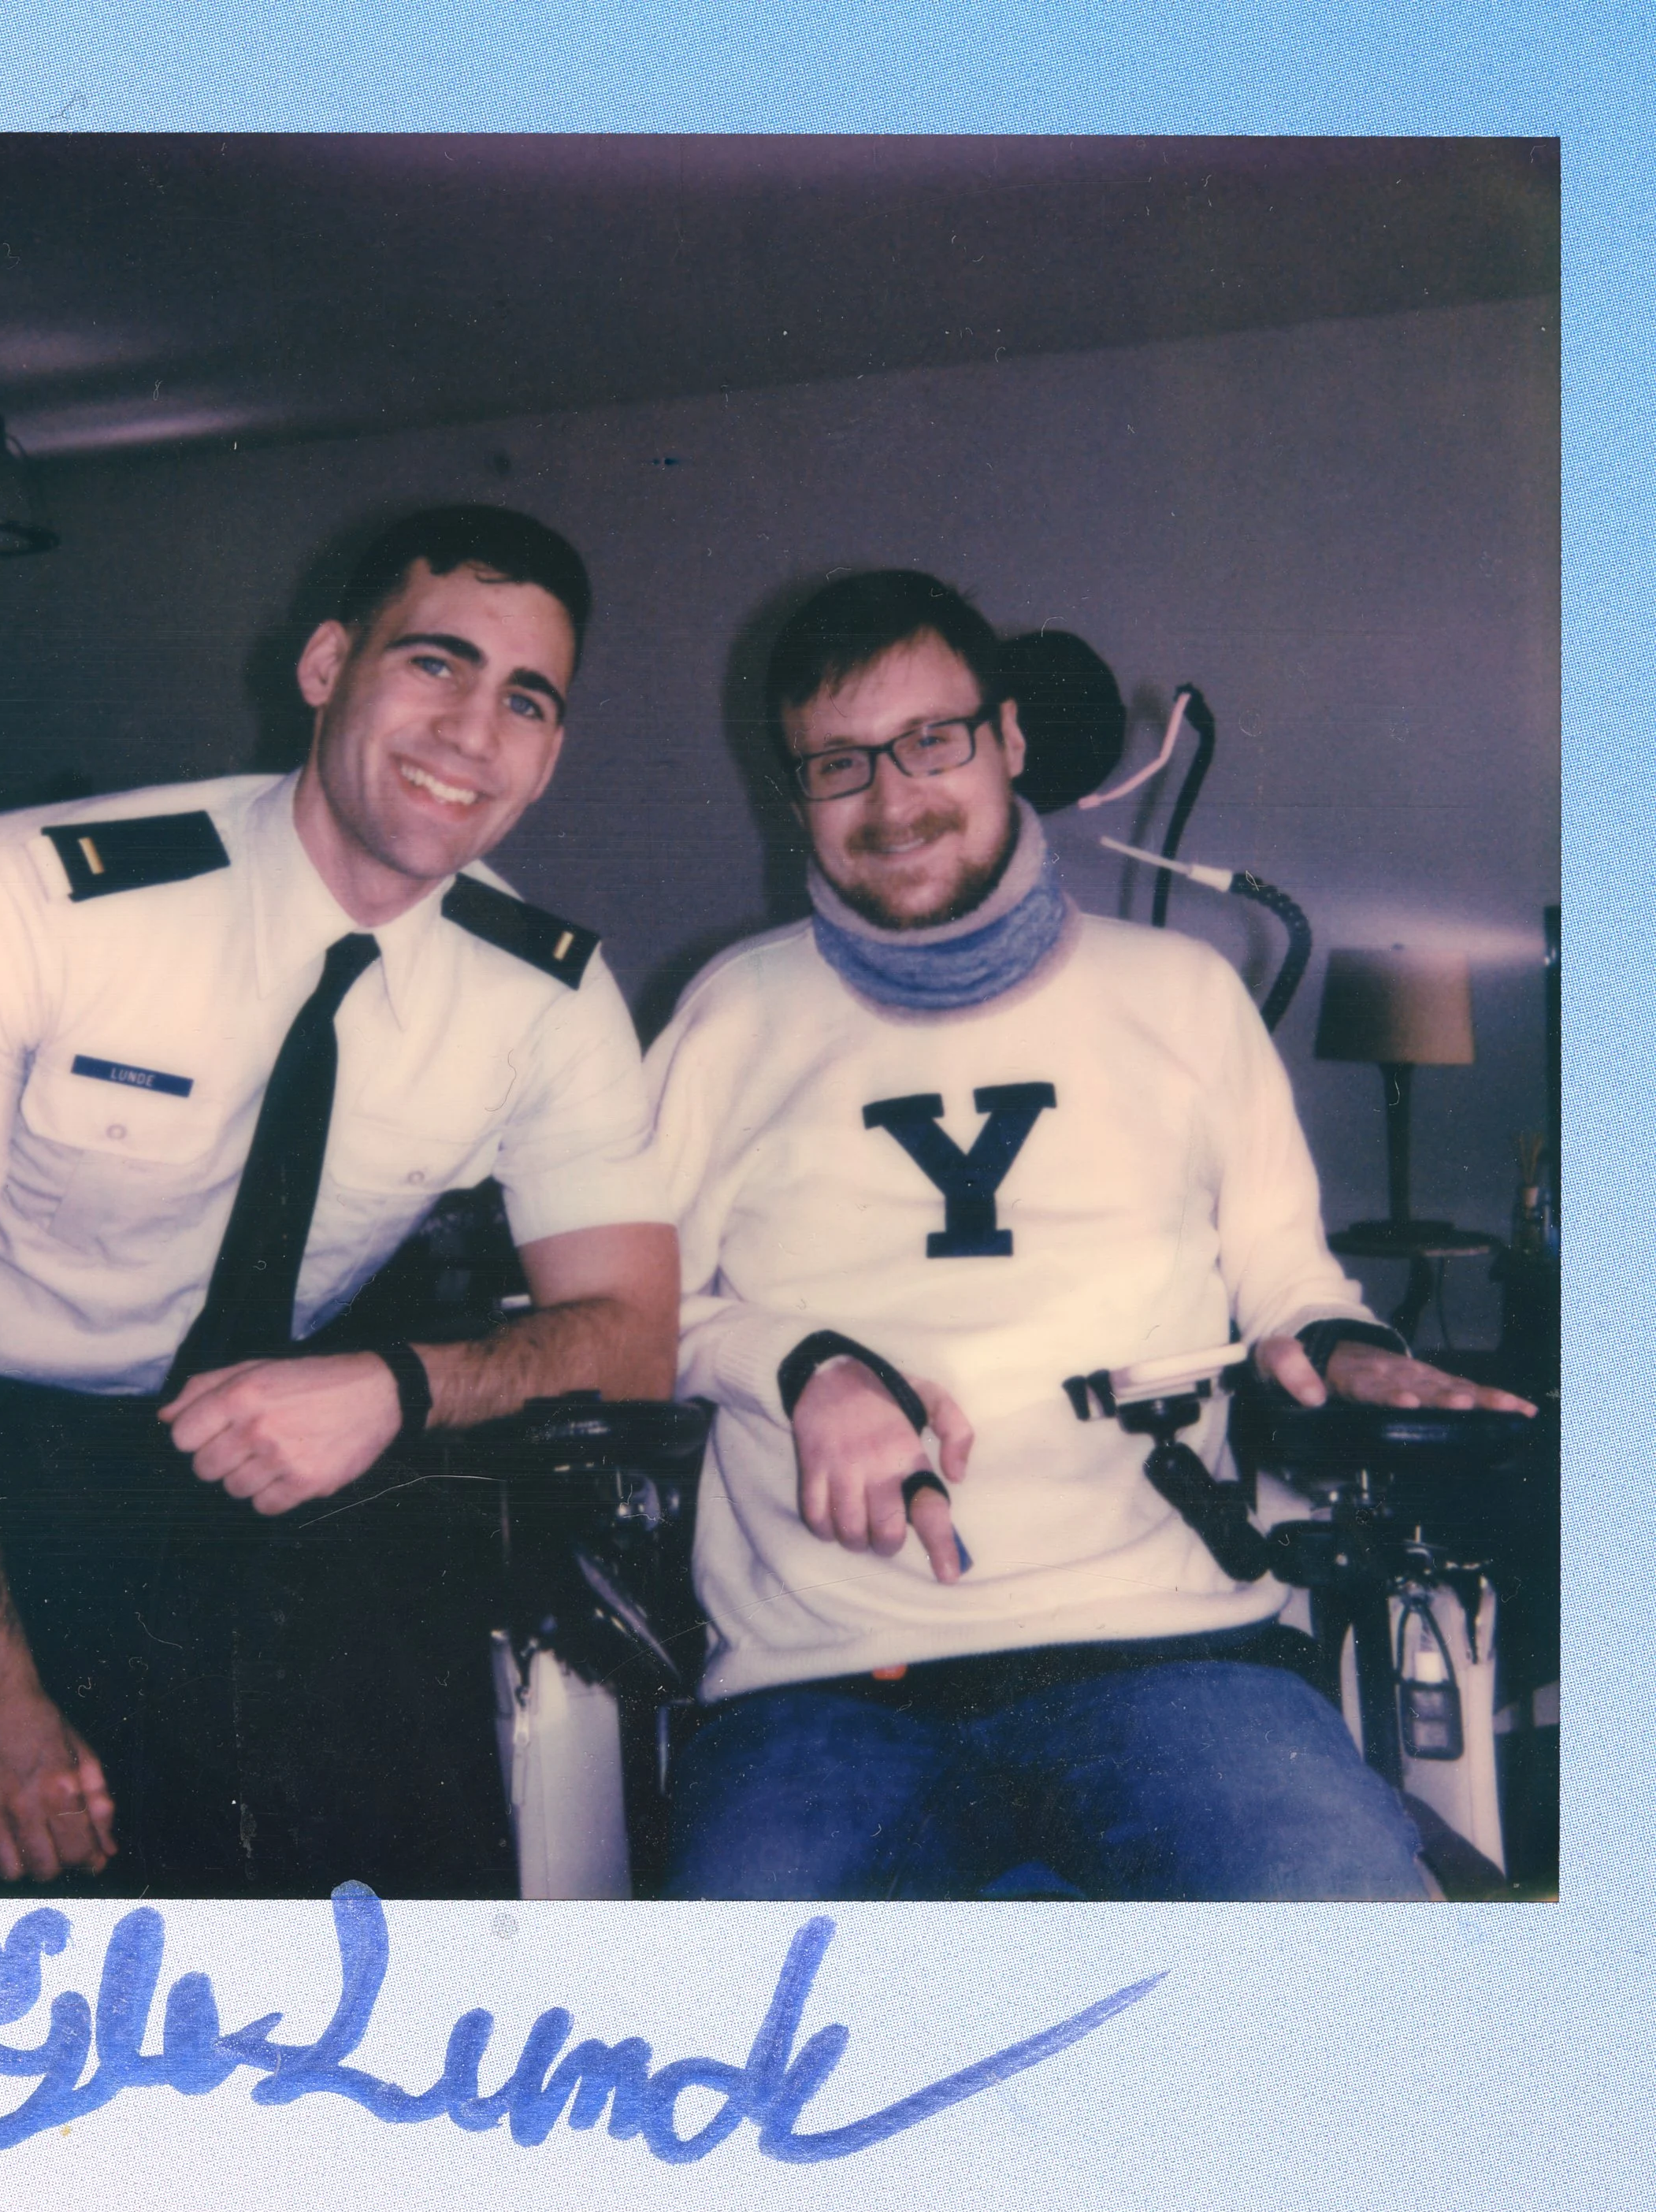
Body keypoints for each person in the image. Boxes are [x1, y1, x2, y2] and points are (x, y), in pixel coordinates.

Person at [644, 569, 1532, 1902]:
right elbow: (613, 1325)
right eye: (838, 766)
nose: (892, 801)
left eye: (931, 741)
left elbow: (1286, 1277)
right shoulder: (727, 1018)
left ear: (1007, 741)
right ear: (794, 795)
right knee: (727, 2053)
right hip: (821, 1683)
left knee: (1338, 1936)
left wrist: (1346, 1349)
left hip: (1167, 1654)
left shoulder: (1180, 998)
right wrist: (790, 1362)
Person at [0, 504, 678, 1898]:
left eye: (525, 700)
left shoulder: (545, 994)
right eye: (435, 664)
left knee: (381, 1868)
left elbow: (633, 1333)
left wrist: (401, 1387)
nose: (474, 730)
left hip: (254, 1448)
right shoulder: (36, 894)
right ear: (324, 667)